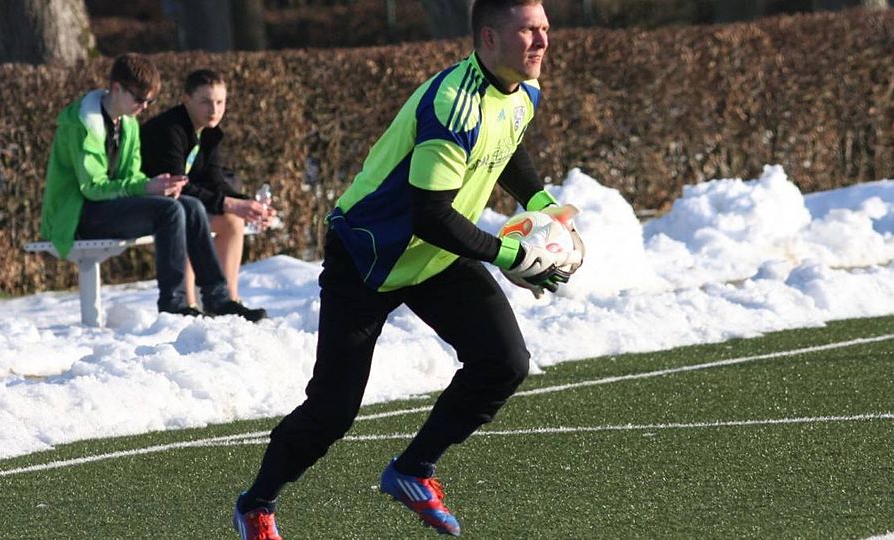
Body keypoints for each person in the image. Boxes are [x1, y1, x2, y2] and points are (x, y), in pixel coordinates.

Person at [232, 0, 585, 537]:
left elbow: (505, 146)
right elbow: (430, 215)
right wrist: (511, 255)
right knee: (332, 412)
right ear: (489, 38)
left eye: (544, 28)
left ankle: (412, 471)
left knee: (504, 362)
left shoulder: (523, 90)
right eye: (528, 31)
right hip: (368, 255)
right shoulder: (453, 106)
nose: (542, 41)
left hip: (435, 256)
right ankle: (256, 504)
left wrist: (542, 205)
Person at [39, 53, 266, 323]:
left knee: (191, 206)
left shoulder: (128, 123)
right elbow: (93, 188)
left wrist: (158, 187)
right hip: (76, 215)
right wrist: (148, 186)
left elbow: (132, 176)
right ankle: (174, 303)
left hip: (109, 206)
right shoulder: (81, 124)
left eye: (150, 101)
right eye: (139, 99)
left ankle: (218, 298)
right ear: (117, 88)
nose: (144, 106)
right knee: (169, 211)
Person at [141, 69, 273, 309]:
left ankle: (228, 301)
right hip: (151, 206)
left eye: (220, 102)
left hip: (182, 206)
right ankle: (188, 306)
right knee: (189, 215)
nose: (214, 110)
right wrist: (229, 203)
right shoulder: (169, 130)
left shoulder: (210, 132)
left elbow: (215, 181)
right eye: (205, 102)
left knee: (232, 221)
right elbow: (177, 188)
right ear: (186, 100)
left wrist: (249, 205)